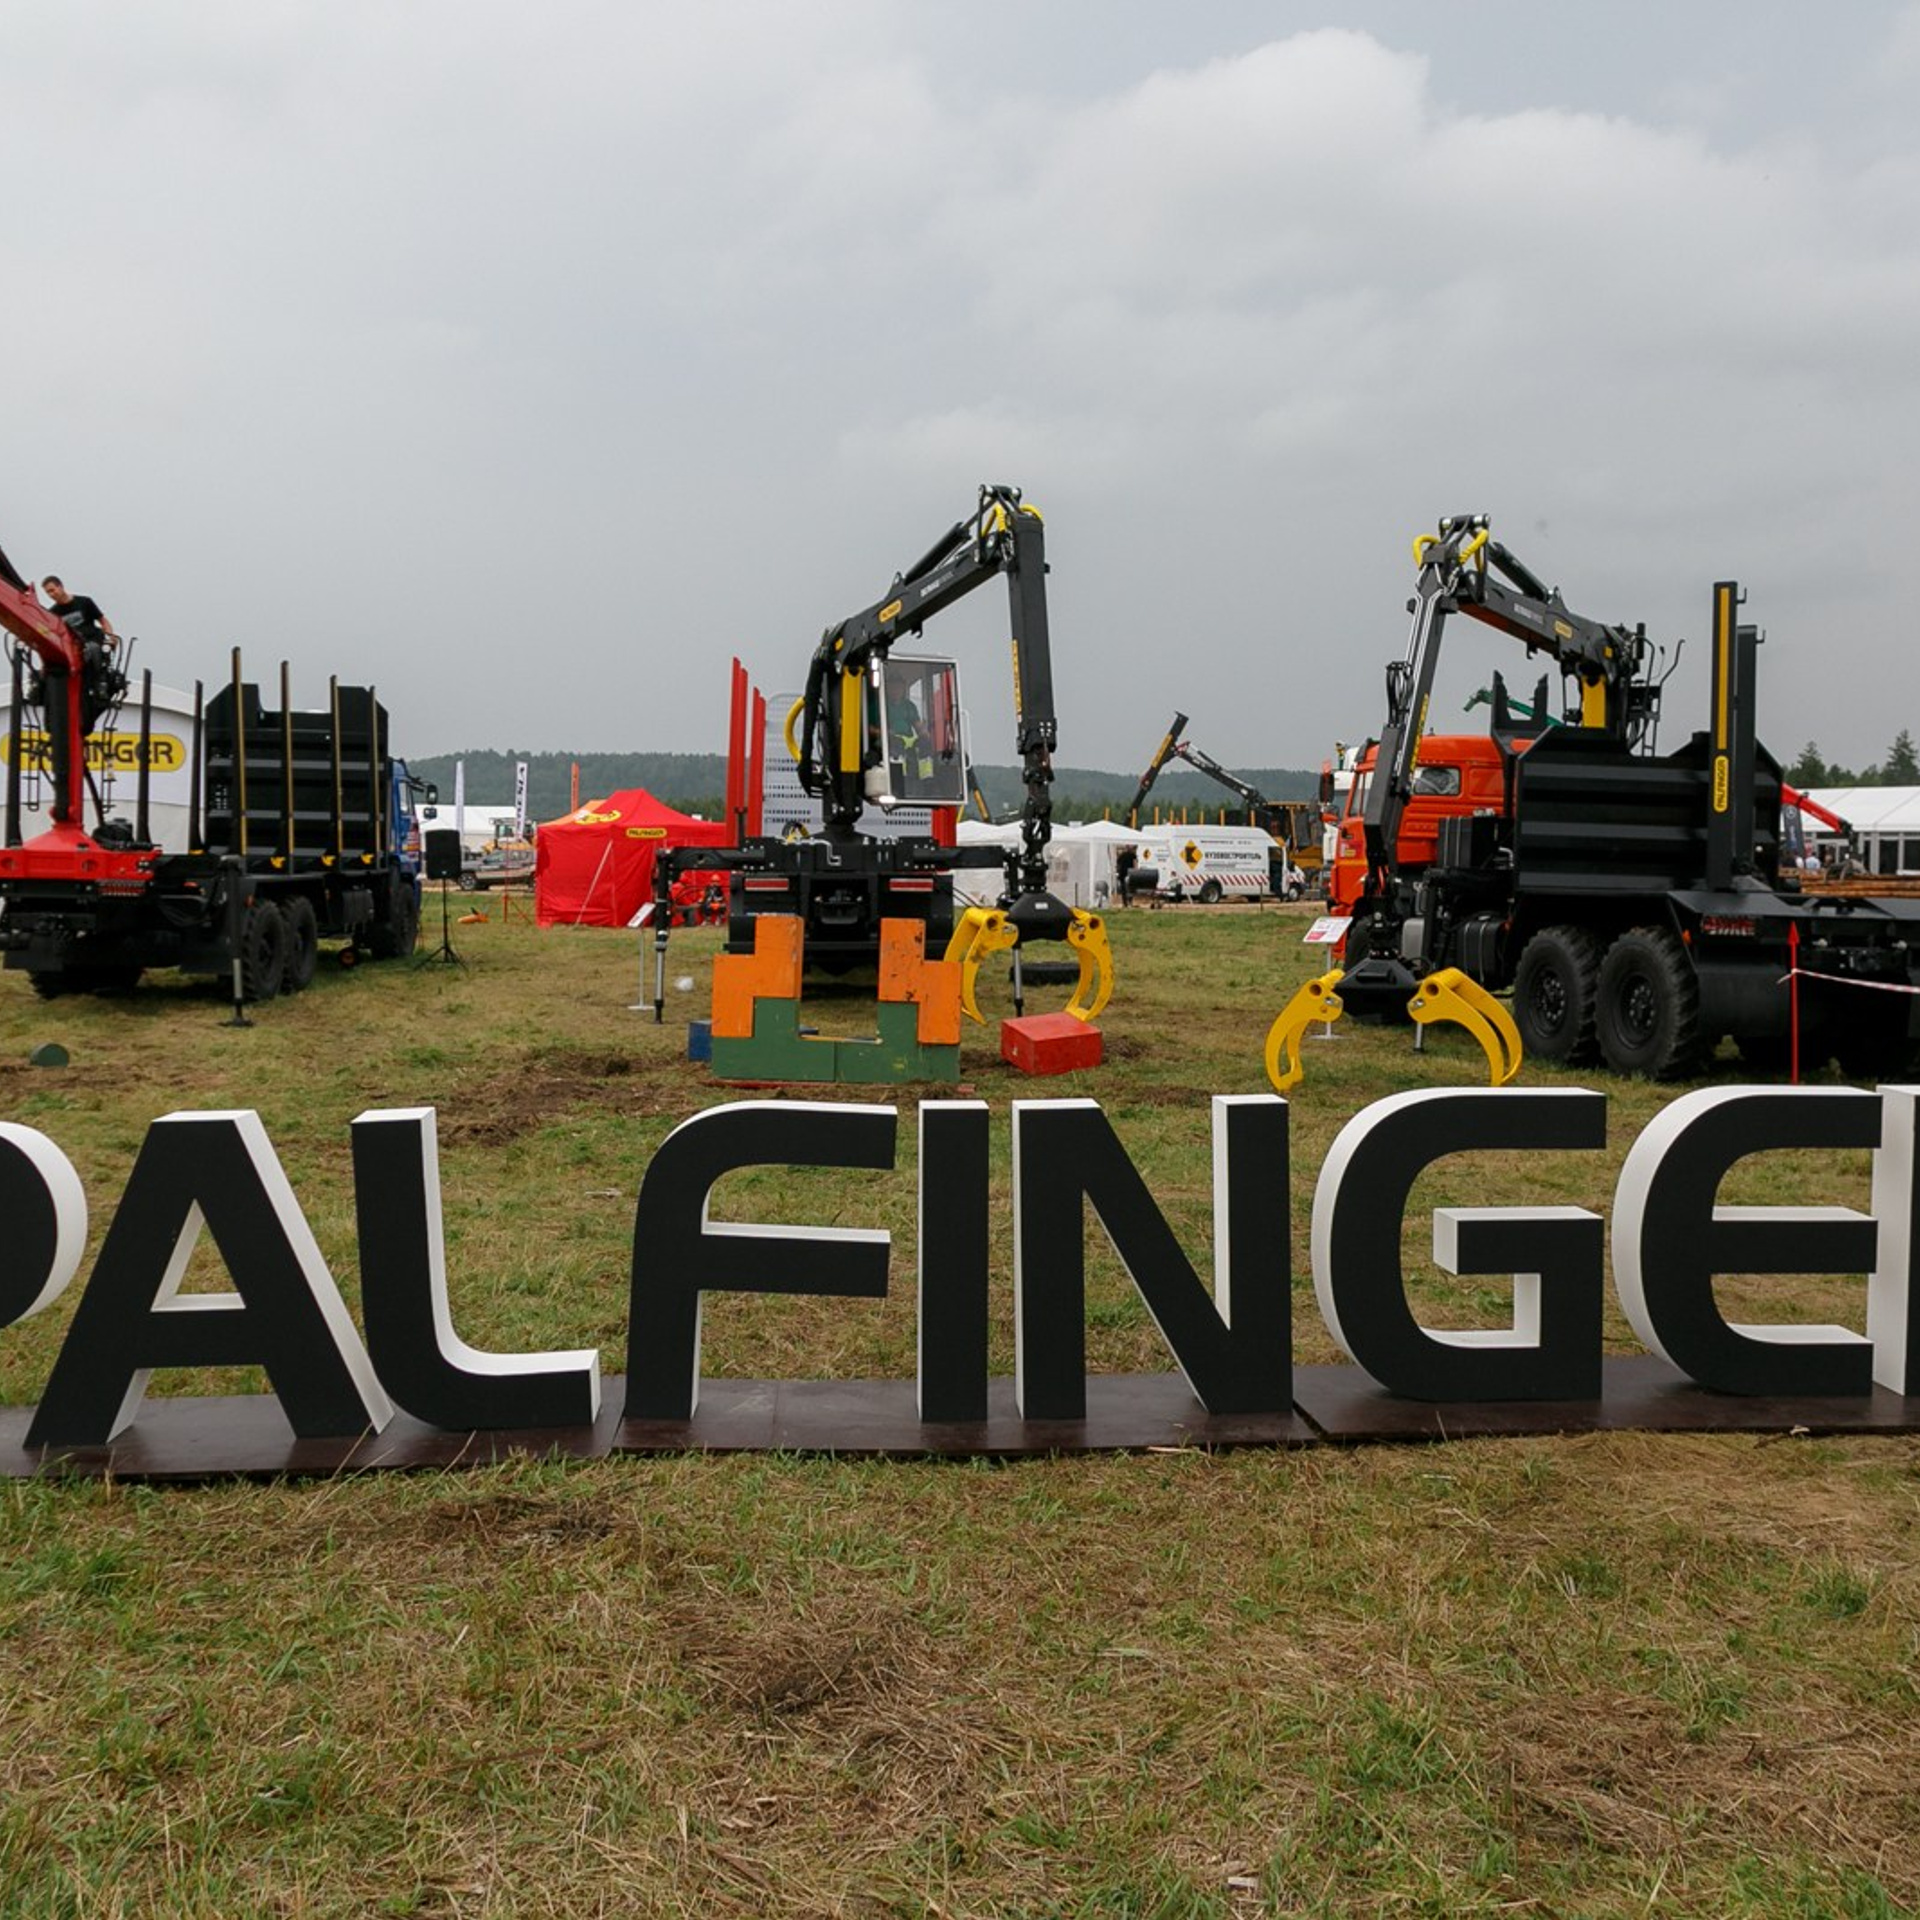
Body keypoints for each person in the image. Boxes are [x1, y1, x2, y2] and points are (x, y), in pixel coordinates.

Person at [39, 575, 124, 729]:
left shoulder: (84, 602)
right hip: (72, 650)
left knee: (91, 649)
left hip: (92, 643)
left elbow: (103, 621)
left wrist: (111, 637)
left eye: (52, 590)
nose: (51, 595)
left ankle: (100, 683)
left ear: (60, 586)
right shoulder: (54, 613)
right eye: (48, 593)